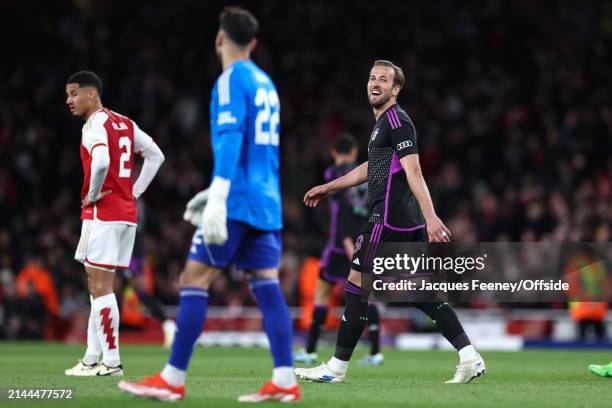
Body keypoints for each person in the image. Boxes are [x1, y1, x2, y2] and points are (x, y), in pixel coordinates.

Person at [118, 7, 300, 402]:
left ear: (220, 39)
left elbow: (233, 139)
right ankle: (285, 380)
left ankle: (172, 379)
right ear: (252, 43)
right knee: (266, 284)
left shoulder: (230, 80)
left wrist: (218, 194)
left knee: (194, 279)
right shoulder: (266, 83)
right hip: (267, 200)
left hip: (236, 201)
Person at [295, 60, 486, 384]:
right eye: (372, 77)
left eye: (384, 79)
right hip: (403, 220)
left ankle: (337, 367)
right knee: (419, 293)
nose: (376, 83)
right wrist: (329, 186)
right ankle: (470, 357)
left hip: (387, 220)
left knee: (356, 289)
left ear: (396, 89)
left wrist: (431, 217)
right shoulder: (381, 124)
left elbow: (414, 170)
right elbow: (371, 168)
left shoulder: (397, 121)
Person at [64, 71, 165, 376]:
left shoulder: (94, 124)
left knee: (102, 287)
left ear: (91, 94)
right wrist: (133, 192)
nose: (69, 101)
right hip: (126, 215)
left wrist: (93, 194)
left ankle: (111, 362)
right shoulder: (125, 122)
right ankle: (92, 358)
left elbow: (103, 161)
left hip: (103, 213)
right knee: (98, 286)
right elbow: (156, 155)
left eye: (73, 93)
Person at [294, 134, 383, 366]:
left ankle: (311, 350)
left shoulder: (333, 174)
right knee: (366, 296)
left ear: (334, 152)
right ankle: (375, 352)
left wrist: (345, 241)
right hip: (365, 240)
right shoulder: (366, 174)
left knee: (321, 294)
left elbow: (342, 210)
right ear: (354, 152)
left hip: (339, 244)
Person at [117, 198, 176, 348]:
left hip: (130, 243)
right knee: (117, 289)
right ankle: (107, 334)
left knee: (132, 289)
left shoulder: (129, 191)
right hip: (125, 242)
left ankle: (167, 324)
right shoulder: (132, 192)